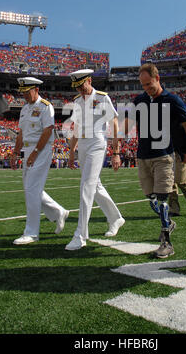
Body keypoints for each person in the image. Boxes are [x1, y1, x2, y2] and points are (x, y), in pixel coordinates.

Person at [125, 63, 186, 258]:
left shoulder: (172, 100)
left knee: (163, 200)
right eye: (143, 85)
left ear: (157, 78)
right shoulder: (139, 100)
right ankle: (169, 223)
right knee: (152, 200)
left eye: (149, 84)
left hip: (164, 156)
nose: (147, 89)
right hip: (143, 156)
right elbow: (127, 123)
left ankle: (166, 242)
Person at [65, 69, 125, 251]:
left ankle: (80, 235)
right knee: (95, 185)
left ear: (89, 81)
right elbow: (76, 127)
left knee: (87, 186)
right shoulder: (77, 101)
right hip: (82, 144)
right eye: (77, 88)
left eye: (82, 86)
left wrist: (116, 152)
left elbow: (114, 122)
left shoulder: (102, 97)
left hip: (97, 143)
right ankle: (115, 218)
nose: (81, 91)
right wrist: (71, 152)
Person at [11, 77, 69, 245]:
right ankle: (59, 211)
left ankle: (31, 232)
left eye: (27, 92)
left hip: (41, 150)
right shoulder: (24, 109)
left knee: (31, 189)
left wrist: (35, 152)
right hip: (27, 150)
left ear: (36, 89)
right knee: (31, 188)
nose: (24, 96)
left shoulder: (46, 106)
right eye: (22, 93)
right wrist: (16, 152)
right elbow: (21, 133)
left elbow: (48, 130)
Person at [168, 122, 186, 216]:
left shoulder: (178, 113)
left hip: (180, 152)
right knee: (170, 182)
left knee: (181, 180)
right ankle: (174, 209)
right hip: (167, 152)